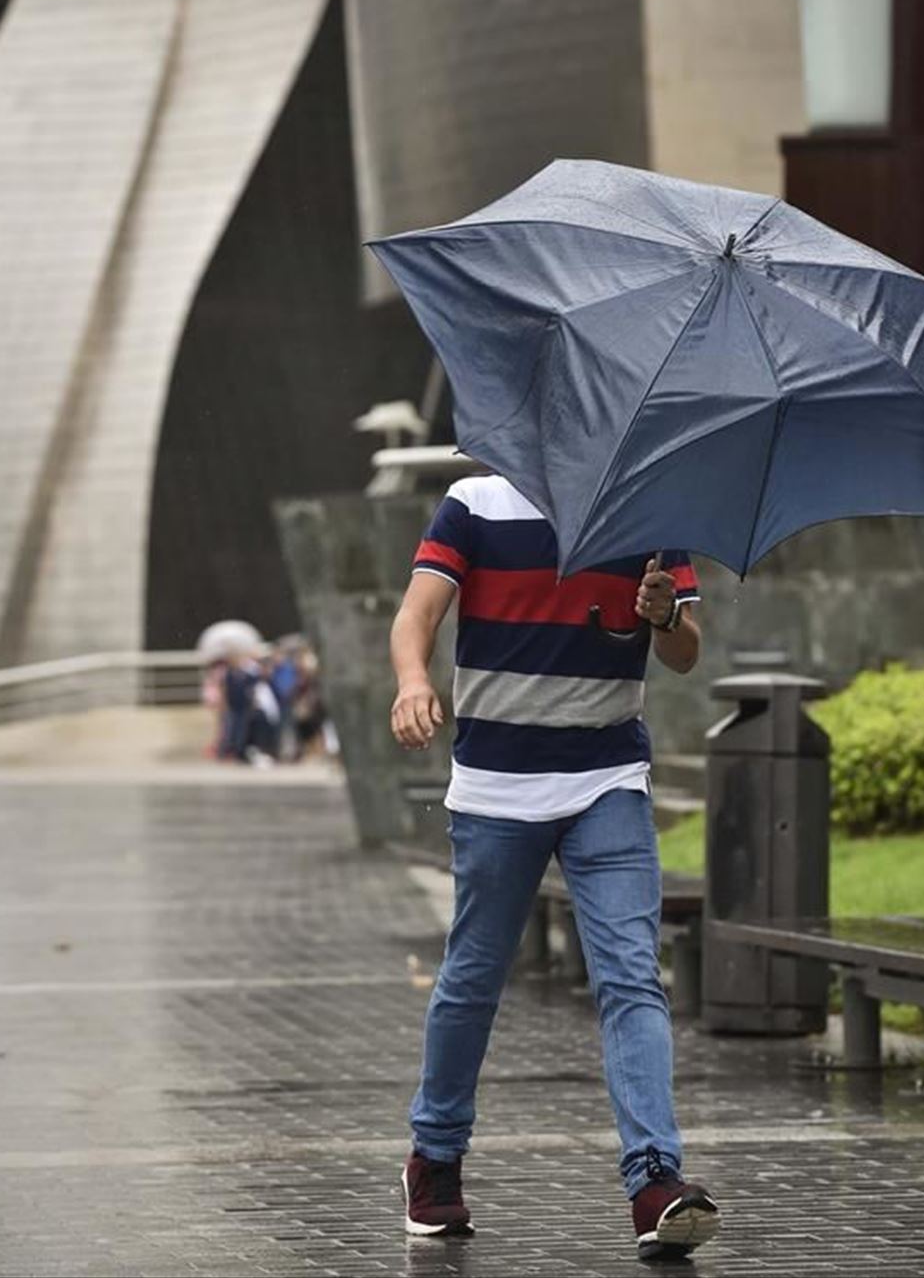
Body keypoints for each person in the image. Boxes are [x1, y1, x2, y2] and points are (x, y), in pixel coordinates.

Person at [388, 473, 720, 1261]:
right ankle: (433, 1157)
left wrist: (665, 612)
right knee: (473, 976)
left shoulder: (651, 500)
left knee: (632, 974)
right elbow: (418, 612)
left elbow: (684, 652)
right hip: (497, 785)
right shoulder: (476, 500)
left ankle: (654, 1179)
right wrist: (411, 678)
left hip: (606, 777)